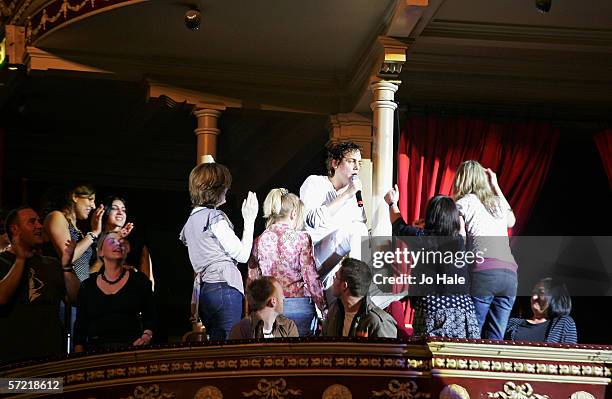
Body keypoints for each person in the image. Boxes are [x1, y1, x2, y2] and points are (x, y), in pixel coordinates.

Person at [385, 187, 479, 339]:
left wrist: (392, 203)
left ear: (430, 217)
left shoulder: (422, 238)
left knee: (430, 355)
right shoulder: (459, 242)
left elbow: (398, 226)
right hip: (463, 307)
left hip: (432, 305)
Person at [180, 161, 258, 341]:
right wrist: (250, 219)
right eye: (224, 187)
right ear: (215, 189)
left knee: (216, 344)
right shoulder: (214, 217)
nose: (227, 191)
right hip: (224, 288)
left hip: (206, 291)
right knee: (228, 346)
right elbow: (242, 255)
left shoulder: (191, 221)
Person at [0, 206, 80, 362]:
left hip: (50, 359)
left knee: (49, 388)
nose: (39, 226)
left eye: (39, 221)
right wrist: (20, 259)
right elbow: (1, 298)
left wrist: (67, 267)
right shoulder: (2, 262)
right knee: (15, 388)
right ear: (15, 229)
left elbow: (75, 298)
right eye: (32, 222)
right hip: (12, 362)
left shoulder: (51, 264)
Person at [453, 160, 517, 340]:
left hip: (484, 271)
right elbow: (511, 221)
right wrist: (496, 185)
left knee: (472, 331)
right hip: (509, 274)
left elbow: (461, 239)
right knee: (495, 337)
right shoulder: (496, 203)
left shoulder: (462, 204)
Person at [248, 188, 325, 336]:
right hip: (299, 305)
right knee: (301, 356)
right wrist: (323, 307)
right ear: (294, 214)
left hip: (269, 307)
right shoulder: (302, 239)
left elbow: (253, 280)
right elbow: (311, 277)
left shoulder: (258, 241)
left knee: (275, 356)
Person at [299, 141, 368, 289]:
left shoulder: (353, 197)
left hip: (334, 266)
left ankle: (357, 287)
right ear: (335, 163)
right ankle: (358, 282)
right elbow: (312, 221)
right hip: (311, 257)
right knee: (357, 229)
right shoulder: (315, 183)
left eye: (359, 163)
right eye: (351, 161)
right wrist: (348, 193)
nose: (357, 167)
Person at [73, 231, 156, 352]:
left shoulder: (139, 281)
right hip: (96, 352)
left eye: (121, 241)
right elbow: (80, 327)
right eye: (112, 241)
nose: (118, 244)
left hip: (132, 348)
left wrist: (147, 335)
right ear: (100, 251)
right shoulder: (88, 286)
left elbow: (151, 316)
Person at [322, 257, 397, 338]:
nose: (333, 281)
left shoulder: (378, 323)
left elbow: (388, 350)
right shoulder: (334, 310)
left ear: (344, 286)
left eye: (336, 277)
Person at [43, 184, 104, 282]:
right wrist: (94, 233)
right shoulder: (56, 216)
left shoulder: (78, 231)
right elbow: (68, 258)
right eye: (90, 199)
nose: (93, 206)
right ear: (75, 197)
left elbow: (82, 271)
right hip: (59, 290)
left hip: (77, 291)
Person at [91, 196, 154, 287]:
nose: (120, 212)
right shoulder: (93, 240)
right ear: (104, 212)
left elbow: (149, 281)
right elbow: (86, 276)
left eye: (123, 210)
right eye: (114, 209)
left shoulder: (136, 244)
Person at [505, 277, 577, 343]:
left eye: (541, 293)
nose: (534, 297)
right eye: (533, 293)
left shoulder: (564, 323)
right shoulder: (512, 323)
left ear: (555, 297)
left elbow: (571, 354)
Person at [229, 276, 298, 339]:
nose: (283, 298)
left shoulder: (288, 326)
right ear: (273, 301)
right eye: (281, 295)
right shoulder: (242, 330)